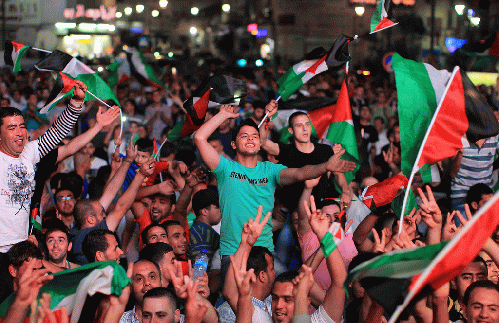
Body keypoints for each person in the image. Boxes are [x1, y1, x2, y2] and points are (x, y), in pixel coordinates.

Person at [193, 104, 355, 271]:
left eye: (255, 136)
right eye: (244, 136)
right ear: (233, 144)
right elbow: (199, 138)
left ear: (258, 144)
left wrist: (325, 166)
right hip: (233, 252)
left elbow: (300, 173)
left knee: (284, 288)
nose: (251, 139)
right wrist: (223, 115)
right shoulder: (224, 168)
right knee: (234, 297)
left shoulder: (271, 170)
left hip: (264, 251)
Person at [0, 80, 87, 253]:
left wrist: (76, 102)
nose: (20, 132)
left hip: (23, 247)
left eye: (22, 126)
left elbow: (57, 133)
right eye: (11, 128)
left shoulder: (28, 152)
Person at [259, 106, 354, 213]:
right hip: (292, 212)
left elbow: (338, 175)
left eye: (307, 124)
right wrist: (267, 117)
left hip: (320, 211)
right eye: (299, 125)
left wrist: (346, 191)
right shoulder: (285, 150)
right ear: (291, 130)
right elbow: (262, 142)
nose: (304, 129)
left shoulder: (325, 150)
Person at [70, 147, 154, 264]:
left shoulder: (76, 232)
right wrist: (141, 175)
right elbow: (121, 208)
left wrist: (127, 161)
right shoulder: (90, 235)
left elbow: (109, 193)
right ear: (90, 219)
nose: (105, 215)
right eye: (102, 213)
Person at [189, 188, 221, 265]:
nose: (221, 210)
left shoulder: (197, 230)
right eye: (217, 207)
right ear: (204, 211)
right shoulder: (203, 236)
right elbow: (202, 270)